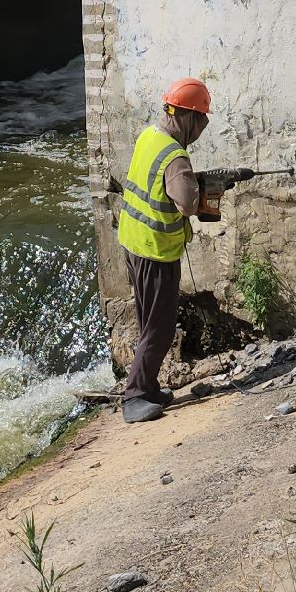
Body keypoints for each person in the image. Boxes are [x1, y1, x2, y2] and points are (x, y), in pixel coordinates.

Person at [114, 77, 211, 423]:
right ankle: (136, 396)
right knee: (161, 327)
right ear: (187, 116)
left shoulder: (150, 136)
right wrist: (201, 192)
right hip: (156, 252)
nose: (202, 127)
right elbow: (186, 204)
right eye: (201, 120)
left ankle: (150, 387)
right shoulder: (176, 156)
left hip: (134, 244)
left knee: (147, 321)